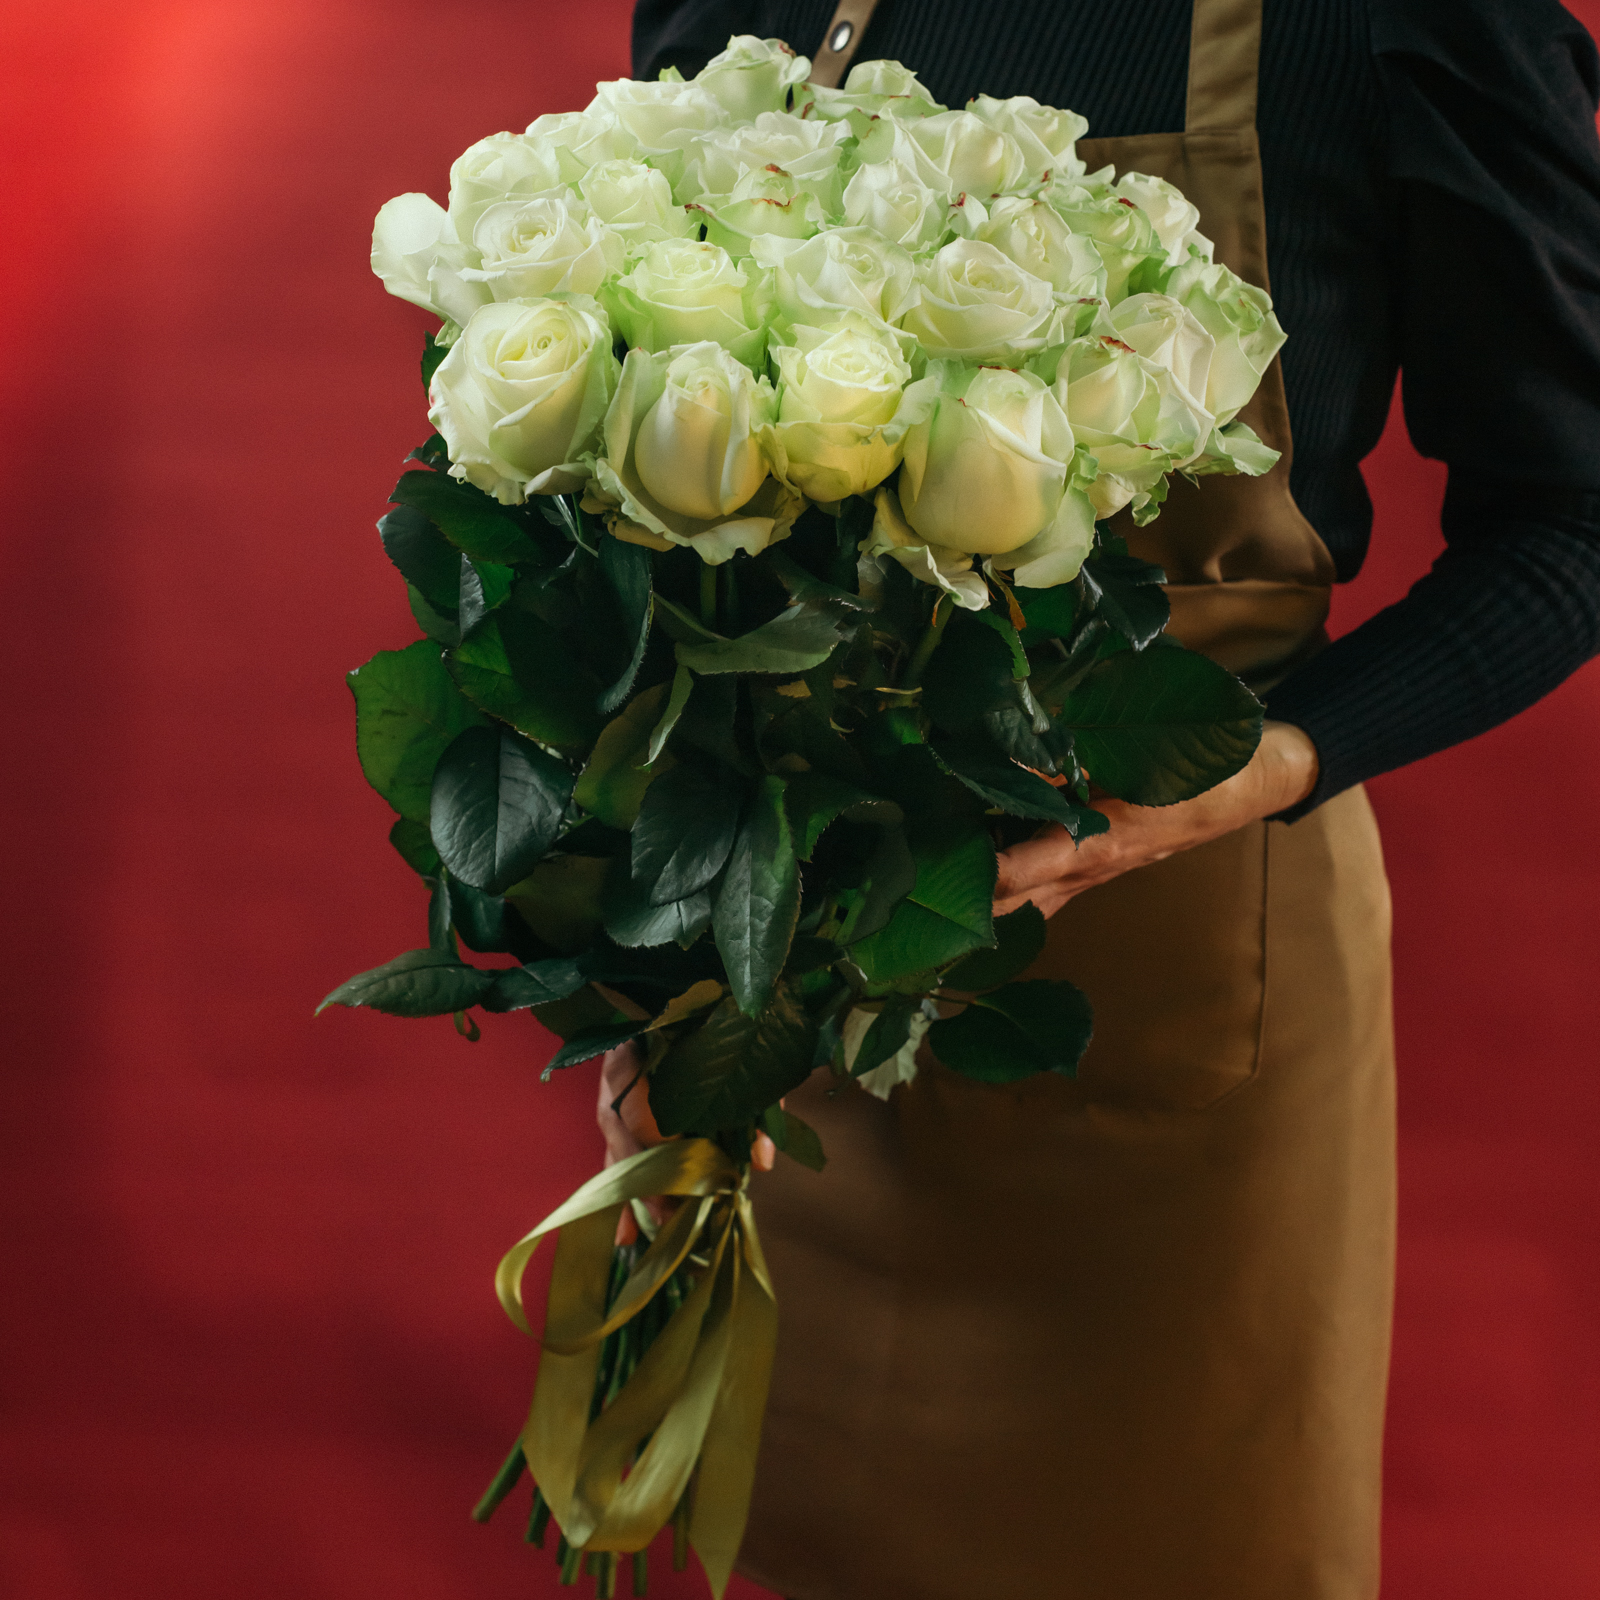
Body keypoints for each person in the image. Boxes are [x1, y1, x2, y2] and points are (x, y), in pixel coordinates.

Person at [599, 3, 1600, 1596]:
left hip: (1175, 1000)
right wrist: (644, 977)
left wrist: (1268, 763)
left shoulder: (1406, 21)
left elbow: (1570, 522)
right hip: (801, 1002)